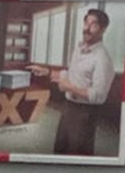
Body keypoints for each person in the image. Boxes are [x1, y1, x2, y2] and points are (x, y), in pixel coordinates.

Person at [26, 8, 115, 156]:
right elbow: (69, 75)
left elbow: (98, 95)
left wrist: (70, 88)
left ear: (103, 29)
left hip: (85, 114)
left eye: (93, 25)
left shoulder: (102, 59)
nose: (87, 28)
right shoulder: (78, 49)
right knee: (60, 150)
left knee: (78, 155)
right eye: (86, 23)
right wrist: (46, 71)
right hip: (68, 108)